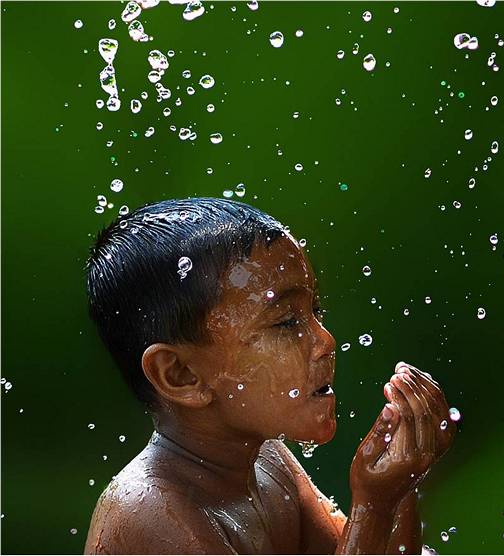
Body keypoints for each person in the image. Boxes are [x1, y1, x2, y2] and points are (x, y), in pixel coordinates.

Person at [83, 197, 456, 554]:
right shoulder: (149, 514)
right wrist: (374, 507)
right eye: (286, 321)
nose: (325, 341)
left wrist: (399, 489)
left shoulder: (268, 464)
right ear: (181, 374)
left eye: (315, 310)